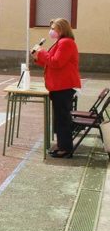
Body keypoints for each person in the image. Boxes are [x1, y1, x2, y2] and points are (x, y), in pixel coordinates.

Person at [32, 18, 82, 159]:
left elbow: (57, 62)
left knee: (62, 118)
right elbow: (51, 63)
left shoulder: (66, 43)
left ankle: (66, 148)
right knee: (59, 118)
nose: (51, 31)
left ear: (61, 29)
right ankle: (61, 144)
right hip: (58, 86)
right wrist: (37, 57)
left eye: (54, 28)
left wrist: (41, 52)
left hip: (64, 86)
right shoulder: (61, 42)